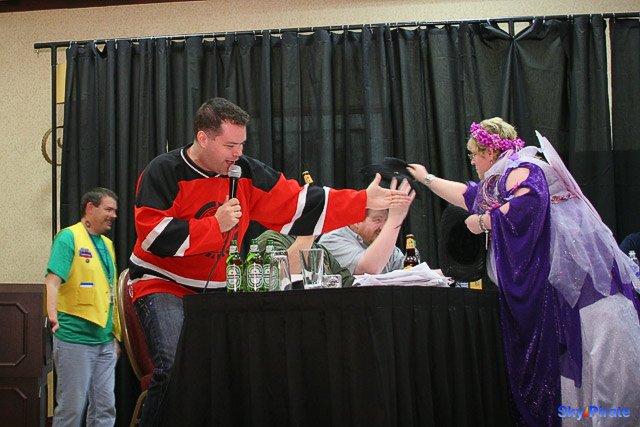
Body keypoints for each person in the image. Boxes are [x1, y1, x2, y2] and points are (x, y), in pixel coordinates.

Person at [129, 97, 413, 426]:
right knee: (175, 366)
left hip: (220, 289)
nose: (238, 153)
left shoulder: (247, 173)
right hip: (162, 283)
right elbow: (154, 236)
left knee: (250, 369)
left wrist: (361, 200)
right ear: (203, 138)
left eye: (242, 144)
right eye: (230, 145)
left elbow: (299, 203)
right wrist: (215, 226)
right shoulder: (163, 171)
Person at [407, 117, 640, 426]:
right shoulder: (506, 174)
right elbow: (469, 196)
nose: (472, 161)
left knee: (597, 365)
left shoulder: (524, 169)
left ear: (489, 151)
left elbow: (525, 206)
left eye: (473, 154)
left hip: (579, 291)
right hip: (568, 288)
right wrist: (426, 178)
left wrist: (482, 223)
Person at [45, 187, 121, 427]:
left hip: (105, 341)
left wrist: (115, 335)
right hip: (74, 338)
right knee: (72, 408)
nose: (114, 215)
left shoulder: (107, 244)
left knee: (105, 409)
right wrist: (52, 317)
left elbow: (109, 292)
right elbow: (52, 282)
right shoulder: (68, 237)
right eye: (108, 209)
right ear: (90, 208)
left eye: (115, 211)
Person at [319, 178, 415, 275]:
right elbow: (368, 271)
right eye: (378, 220)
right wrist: (395, 218)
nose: (383, 227)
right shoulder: (332, 240)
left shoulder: (384, 243)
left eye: (386, 220)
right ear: (356, 221)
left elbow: (411, 274)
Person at [255, 231, 356, 287]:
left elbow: (346, 282)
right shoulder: (271, 239)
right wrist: (308, 233)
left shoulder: (319, 249)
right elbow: (282, 275)